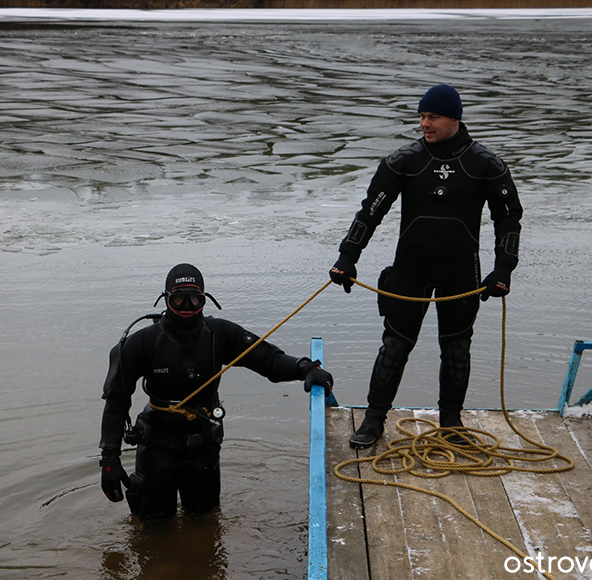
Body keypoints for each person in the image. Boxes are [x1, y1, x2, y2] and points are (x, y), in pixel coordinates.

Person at [329, 84, 522, 449]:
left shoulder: (485, 164)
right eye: (421, 116)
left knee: (456, 349)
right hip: (411, 268)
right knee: (395, 346)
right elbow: (370, 211)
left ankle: (451, 423)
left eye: (432, 116)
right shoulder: (404, 160)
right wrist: (347, 258)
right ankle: (373, 420)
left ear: (454, 118)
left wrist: (504, 269)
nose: (424, 123)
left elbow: (509, 217)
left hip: (461, 271)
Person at [99, 263, 334, 520]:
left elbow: (268, 360)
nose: (187, 306)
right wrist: (109, 459)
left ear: (205, 299)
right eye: (179, 298)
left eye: (194, 299)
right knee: (152, 526)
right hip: (157, 447)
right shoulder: (141, 343)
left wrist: (304, 367)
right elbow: (116, 401)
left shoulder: (219, 334)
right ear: (165, 300)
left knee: (206, 523)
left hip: (203, 447)